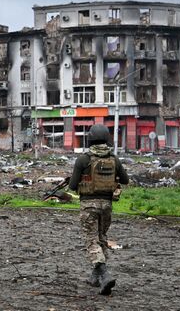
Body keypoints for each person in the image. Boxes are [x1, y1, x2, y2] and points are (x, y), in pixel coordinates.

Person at [68, 124, 129, 295]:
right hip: (107, 205)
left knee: (91, 240)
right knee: (102, 238)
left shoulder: (83, 159)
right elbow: (125, 180)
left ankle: (104, 273)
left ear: (90, 138)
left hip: (89, 205)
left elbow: (73, 186)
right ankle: (95, 277)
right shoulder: (114, 159)